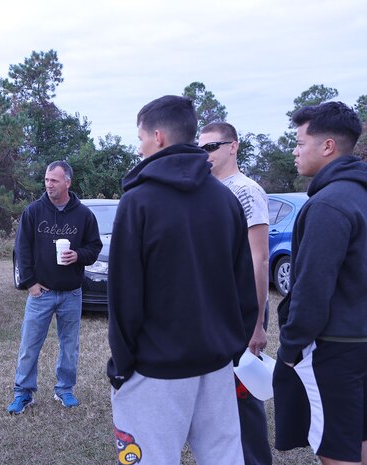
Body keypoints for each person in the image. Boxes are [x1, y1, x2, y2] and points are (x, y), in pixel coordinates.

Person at [107, 95, 258, 464]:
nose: (139, 147)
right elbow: (245, 287)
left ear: (158, 137)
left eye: (140, 138)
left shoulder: (138, 202)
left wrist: (122, 365)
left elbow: (125, 296)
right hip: (216, 363)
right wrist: (231, 346)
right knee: (224, 457)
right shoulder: (225, 200)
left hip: (156, 369)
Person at [274, 101, 367, 465]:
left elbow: (312, 289)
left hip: (336, 348)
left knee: (336, 449)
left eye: (299, 143)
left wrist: (291, 350)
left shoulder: (329, 204)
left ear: (327, 146)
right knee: (358, 435)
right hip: (359, 340)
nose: (294, 152)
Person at [199, 122, 272, 465]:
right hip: (218, 310)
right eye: (201, 149)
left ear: (233, 147)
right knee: (222, 397)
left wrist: (257, 324)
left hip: (243, 312)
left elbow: (259, 258)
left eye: (212, 147)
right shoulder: (209, 190)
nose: (206, 155)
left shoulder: (244, 190)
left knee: (244, 397)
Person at [8, 161, 102, 414]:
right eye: (47, 180)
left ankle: (64, 389)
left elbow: (94, 247)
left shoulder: (83, 215)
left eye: (54, 180)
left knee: (69, 345)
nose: (49, 184)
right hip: (42, 293)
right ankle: (23, 393)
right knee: (30, 344)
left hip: (71, 293)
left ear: (67, 182)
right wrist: (30, 284)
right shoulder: (34, 212)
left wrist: (78, 255)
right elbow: (22, 249)